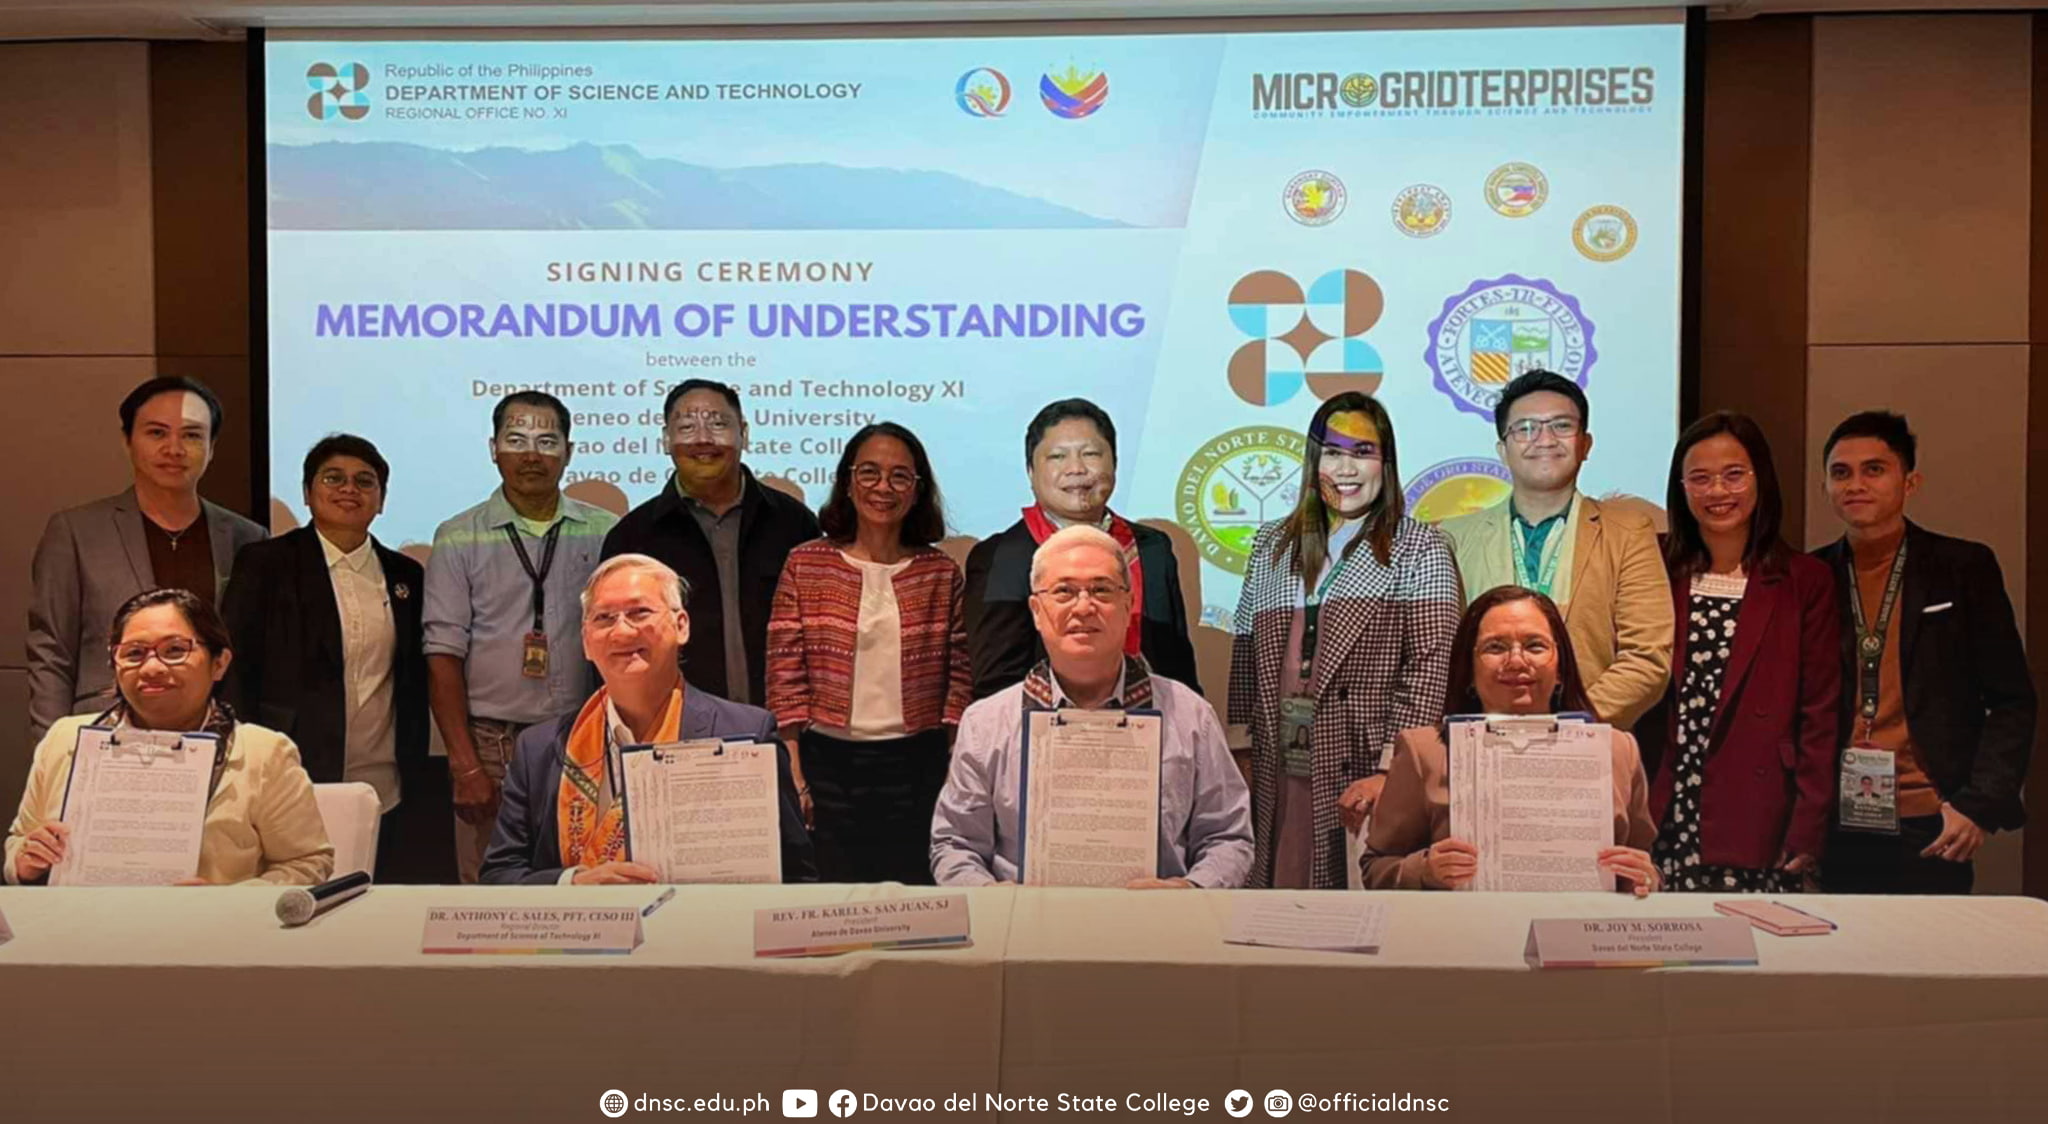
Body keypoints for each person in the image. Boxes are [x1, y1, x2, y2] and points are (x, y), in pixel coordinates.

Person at [1228, 392, 1462, 889]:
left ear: (1386, 463)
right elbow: (1245, 657)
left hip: (1364, 769)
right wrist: (1243, 758)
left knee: (1352, 911)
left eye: (1363, 452)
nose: (1347, 468)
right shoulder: (1272, 545)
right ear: (1314, 462)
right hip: (1280, 767)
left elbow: (1430, 668)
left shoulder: (1420, 546)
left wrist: (1390, 772)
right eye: (1333, 452)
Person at [932, 525, 1250, 887]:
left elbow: (1228, 836)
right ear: (1036, 610)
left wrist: (1193, 888)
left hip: (1155, 930)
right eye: (1064, 591)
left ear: (1128, 604)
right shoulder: (987, 723)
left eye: (1101, 590)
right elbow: (955, 844)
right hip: (1025, 930)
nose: (1084, 607)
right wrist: (988, 895)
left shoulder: (1191, 715)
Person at [481, 554, 816, 884]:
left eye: (639, 612)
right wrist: (574, 884)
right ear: (585, 641)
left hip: (704, 933)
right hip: (583, 935)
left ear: (681, 625)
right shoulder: (539, 749)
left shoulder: (746, 733)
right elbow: (499, 875)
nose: (622, 631)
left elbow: (795, 875)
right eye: (604, 618)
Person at [1812, 412, 2036, 894]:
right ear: (1825, 487)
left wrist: (1978, 804)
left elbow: (2012, 700)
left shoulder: (1962, 568)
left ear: (1910, 482)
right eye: (1841, 472)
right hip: (1836, 823)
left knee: (1925, 965)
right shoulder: (1811, 577)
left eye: (1875, 469)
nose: (1856, 484)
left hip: (1932, 820)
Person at [220, 435, 452, 884]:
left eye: (365, 481)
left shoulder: (406, 575)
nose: (350, 489)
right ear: (308, 493)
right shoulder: (266, 563)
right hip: (291, 773)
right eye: (334, 478)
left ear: (381, 501)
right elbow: (235, 667)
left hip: (385, 779)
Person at [7, 588, 333, 886]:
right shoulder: (66, 739)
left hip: (207, 940)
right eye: (134, 653)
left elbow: (307, 863)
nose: (152, 668)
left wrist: (230, 900)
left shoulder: (264, 753)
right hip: (77, 936)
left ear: (219, 663)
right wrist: (24, 861)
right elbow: (19, 840)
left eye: (175, 650)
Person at [424, 391, 620, 882]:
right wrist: (465, 765)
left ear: (568, 452)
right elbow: (442, 655)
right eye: (516, 440)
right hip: (491, 741)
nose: (531, 454)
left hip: (583, 734)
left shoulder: (604, 531)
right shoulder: (458, 535)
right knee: (491, 885)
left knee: (585, 876)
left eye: (546, 441)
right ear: (493, 448)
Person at [766, 423, 970, 883]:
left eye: (900, 476)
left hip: (918, 766)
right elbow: (785, 677)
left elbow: (958, 679)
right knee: (834, 903)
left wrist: (955, 768)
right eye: (870, 473)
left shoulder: (939, 572)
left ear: (918, 491)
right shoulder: (806, 564)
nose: (884, 487)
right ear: (847, 481)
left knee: (914, 904)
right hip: (827, 766)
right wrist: (794, 770)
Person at [1648, 412, 1839, 892]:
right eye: (1700, 478)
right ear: (1680, 487)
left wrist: (1807, 827)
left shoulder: (1804, 580)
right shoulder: (1654, 568)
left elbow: (1820, 713)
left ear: (1762, 479)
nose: (1718, 492)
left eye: (1734, 474)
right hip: (1665, 795)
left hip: (1761, 809)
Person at [1361, 586, 1657, 894]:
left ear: (1561, 668)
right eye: (1495, 647)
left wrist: (1644, 877)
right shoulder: (1424, 751)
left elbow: (1645, 866)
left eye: (1535, 646)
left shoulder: (1618, 751)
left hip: (1577, 936)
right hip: (1470, 937)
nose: (1516, 661)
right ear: (1469, 670)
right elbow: (1375, 867)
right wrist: (1424, 870)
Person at [27, 376, 267, 740]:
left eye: (191, 435)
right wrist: (54, 748)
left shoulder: (246, 537)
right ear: (127, 441)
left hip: (215, 739)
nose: (174, 448)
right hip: (104, 732)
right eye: (157, 433)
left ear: (212, 447)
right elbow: (52, 654)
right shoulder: (75, 532)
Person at [1440, 369, 1673, 730]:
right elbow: (1443, 657)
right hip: (1481, 745)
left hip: (1590, 745)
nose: (1544, 439)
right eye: (1526, 428)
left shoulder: (1628, 533)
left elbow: (1647, 657)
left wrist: (1569, 727)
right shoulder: (1453, 538)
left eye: (1561, 426)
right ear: (1503, 449)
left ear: (1585, 443)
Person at [601, 379, 820, 705]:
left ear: (744, 433)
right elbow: (612, 646)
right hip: (673, 727)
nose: (703, 439)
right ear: (665, 440)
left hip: (782, 724)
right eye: (687, 427)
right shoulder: (633, 537)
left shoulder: (794, 523)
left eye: (718, 424)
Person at [964, 398, 1200, 699]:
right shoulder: (1000, 557)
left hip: (1150, 729)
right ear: (1031, 472)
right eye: (1057, 457)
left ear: (1114, 462)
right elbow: (996, 682)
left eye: (1090, 454)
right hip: (1044, 732)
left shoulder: (1152, 549)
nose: (1076, 469)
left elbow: (1178, 666)